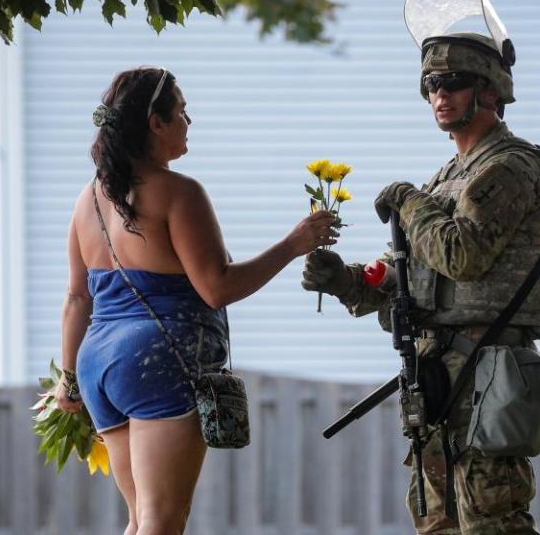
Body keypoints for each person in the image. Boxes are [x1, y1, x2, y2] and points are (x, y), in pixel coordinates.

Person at [302, 30, 540, 534]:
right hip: (438, 374)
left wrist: (406, 198)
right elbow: (402, 272)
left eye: (453, 82)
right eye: (429, 85)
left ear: (490, 91)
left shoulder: (510, 167)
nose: (439, 96)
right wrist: (343, 279)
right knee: (435, 519)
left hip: (489, 369)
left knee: (492, 518)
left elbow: (460, 254)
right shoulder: (450, 175)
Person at [54, 67, 337, 535]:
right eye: (182, 112)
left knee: (140, 519)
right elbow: (217, 287)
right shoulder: (179, 193)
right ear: (156, 123)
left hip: (98, 363)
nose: (189, 121)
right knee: (163, 522)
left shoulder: (88, 198)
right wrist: (293, 244)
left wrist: (69, 379)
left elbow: (76, 297)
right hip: (158, 360)